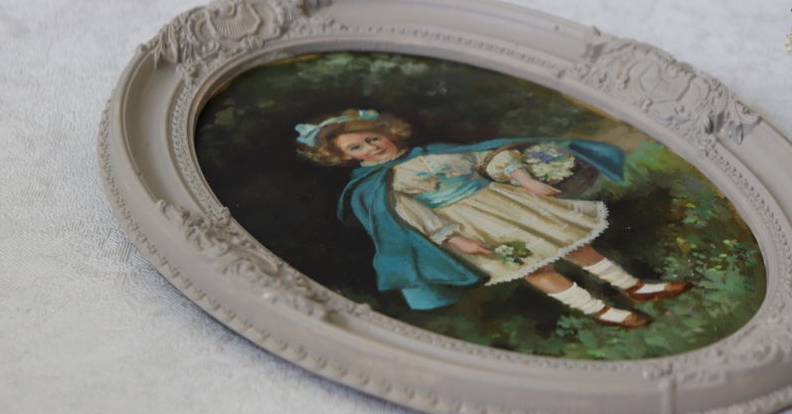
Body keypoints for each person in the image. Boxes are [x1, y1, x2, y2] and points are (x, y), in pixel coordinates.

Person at [296, 109, 692, 328]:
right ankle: (601, 311)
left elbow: (486, 157)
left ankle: (634, 286)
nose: (371, 147)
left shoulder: (435, 151)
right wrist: (454, 239)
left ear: (387, 132)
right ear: (345, 157)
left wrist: (524, 178)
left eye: (372, 138)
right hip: (469, 223)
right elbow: (410, 215)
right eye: (357, 147)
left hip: (504, 200)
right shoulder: (381, 185)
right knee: (534, 265)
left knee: (574, 244)